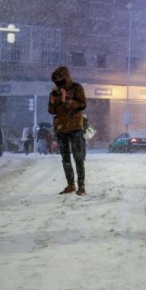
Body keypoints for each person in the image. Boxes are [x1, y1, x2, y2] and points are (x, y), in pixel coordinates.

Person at [47, 66, 88, 195]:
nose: (59, 82)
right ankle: (70, 185)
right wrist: (53, 102)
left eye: (61, 79)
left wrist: (67, 100)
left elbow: (82, 104)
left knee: (78, 157)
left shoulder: (77, 87)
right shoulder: (55, 92)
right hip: (61, 128)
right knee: (65, 158)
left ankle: (81, 186)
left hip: (75, 127)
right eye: (56, 80)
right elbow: (51, 111)